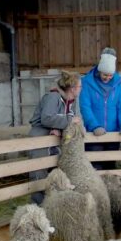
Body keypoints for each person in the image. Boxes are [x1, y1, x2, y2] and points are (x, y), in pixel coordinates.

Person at [28, 70, 81, 202]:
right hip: (40, 139)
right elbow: (47, 117)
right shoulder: (53, 97)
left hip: (52, 142)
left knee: (54, 174)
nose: (81, 90)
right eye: (80, 87)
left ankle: (50, 206)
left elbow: (66, 118)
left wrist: (58, 127)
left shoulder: (69, 101)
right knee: (39, 174)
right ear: (72, 88)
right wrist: (68, 121)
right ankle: (38, 208)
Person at [81, 47, 121, 170]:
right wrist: (94, 126)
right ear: (99, 70)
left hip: (113, 133)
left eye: (110, 75)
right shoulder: (86, 82)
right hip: (94, 134)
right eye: (105, 74)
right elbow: (85, 107)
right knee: (95, 166)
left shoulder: (117, 82)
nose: (107, 77)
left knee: (111, 166)